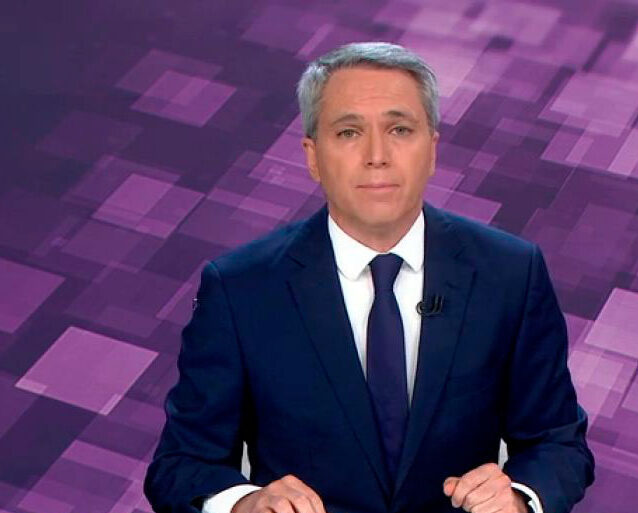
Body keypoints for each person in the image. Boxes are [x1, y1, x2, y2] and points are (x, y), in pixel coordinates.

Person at [144, 42, 594, 513]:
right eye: (349, 132)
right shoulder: (241, 288)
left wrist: (519, 498)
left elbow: (558, 443)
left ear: (432, 149)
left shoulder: (509, 272)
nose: (377, 155)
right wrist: (245, 504)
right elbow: (180, 464)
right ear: (312, 156)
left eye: (400, 129)